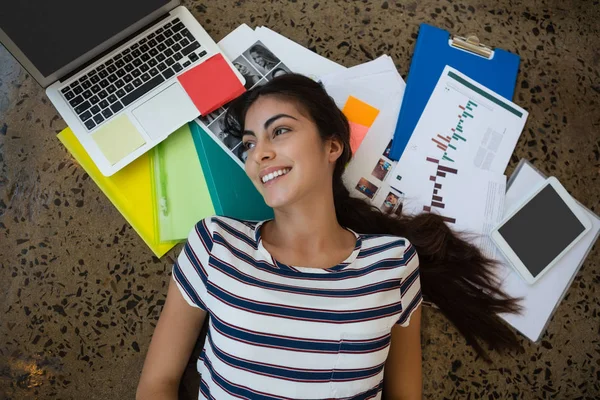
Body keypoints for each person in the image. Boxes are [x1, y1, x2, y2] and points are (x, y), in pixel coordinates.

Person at [137, 74, 521, 400]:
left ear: (332, 146)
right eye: (251, 144)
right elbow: (158, 382)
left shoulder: (394, 261)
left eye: (280, 131)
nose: (259, 155)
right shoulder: (215, 244)